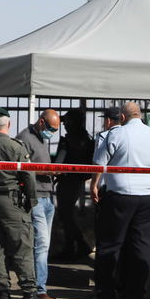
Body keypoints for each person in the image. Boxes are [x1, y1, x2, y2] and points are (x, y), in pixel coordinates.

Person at [90, 101, 150, 299]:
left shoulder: (116, 134)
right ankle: (134, 297)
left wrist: (94, 185)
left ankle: (105, 294)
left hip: (119, 196)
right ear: (139, 115)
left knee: (110, 245)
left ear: (122, 117)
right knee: (141, 246)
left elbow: (100, 163)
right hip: (147, 197)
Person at [0, 109, 52, 299]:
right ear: (8, 125)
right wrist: (31, 202)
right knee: (22, 249)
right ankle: (29, 297)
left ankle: (3, 297)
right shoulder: (16, 147)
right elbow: (28, 176)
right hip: (12, 202)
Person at [16, 108, 61, 299]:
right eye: (51, 128)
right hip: (36, 198)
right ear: (42, 122)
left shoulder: (41, 139)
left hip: (48, 197)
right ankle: (38, 290)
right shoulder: (24, 138)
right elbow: (20, 168)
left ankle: (38, 287)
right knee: (40, 244)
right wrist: (45, 170)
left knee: (44, 245)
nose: (52, 133)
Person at [52, 109, 94, 260]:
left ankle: (78, 246)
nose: (63, 125)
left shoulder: (69, 140)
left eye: (66, 122)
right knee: (67, 215)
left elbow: (58, 163)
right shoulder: (86, 139)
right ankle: (75, 247)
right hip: (77, 181)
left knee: (65, 215)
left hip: (67, 181)